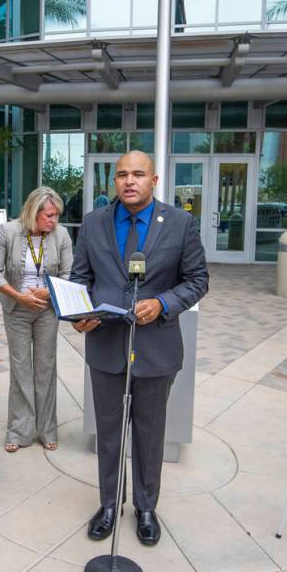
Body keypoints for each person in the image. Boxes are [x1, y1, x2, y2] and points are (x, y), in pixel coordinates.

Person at [70, 150, 209, 546]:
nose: (129, 181)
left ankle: (146, 507)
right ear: (113, 181)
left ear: (155, 180)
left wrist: (163, 303)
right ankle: (109, 504)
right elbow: (81, 278)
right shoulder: (94, 222)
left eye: (138, 174)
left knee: (149, 433)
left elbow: (197, 279)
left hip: (157, 346)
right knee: (109, 431)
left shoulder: (181, 223)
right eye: (121, 175)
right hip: (106, 343)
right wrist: (79, 313)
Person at [0, 186, 74, 453]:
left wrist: (49, 291)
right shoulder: (8, 232)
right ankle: (19, 430)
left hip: (47, 309)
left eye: (56, 215)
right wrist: (19, 296)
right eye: (48, 215)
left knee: (46, 368)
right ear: (33, 212)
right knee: (20, 368)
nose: (53, 221)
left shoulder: (61, 235)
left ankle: (47, 428)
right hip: (17, 309)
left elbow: (69, 273)